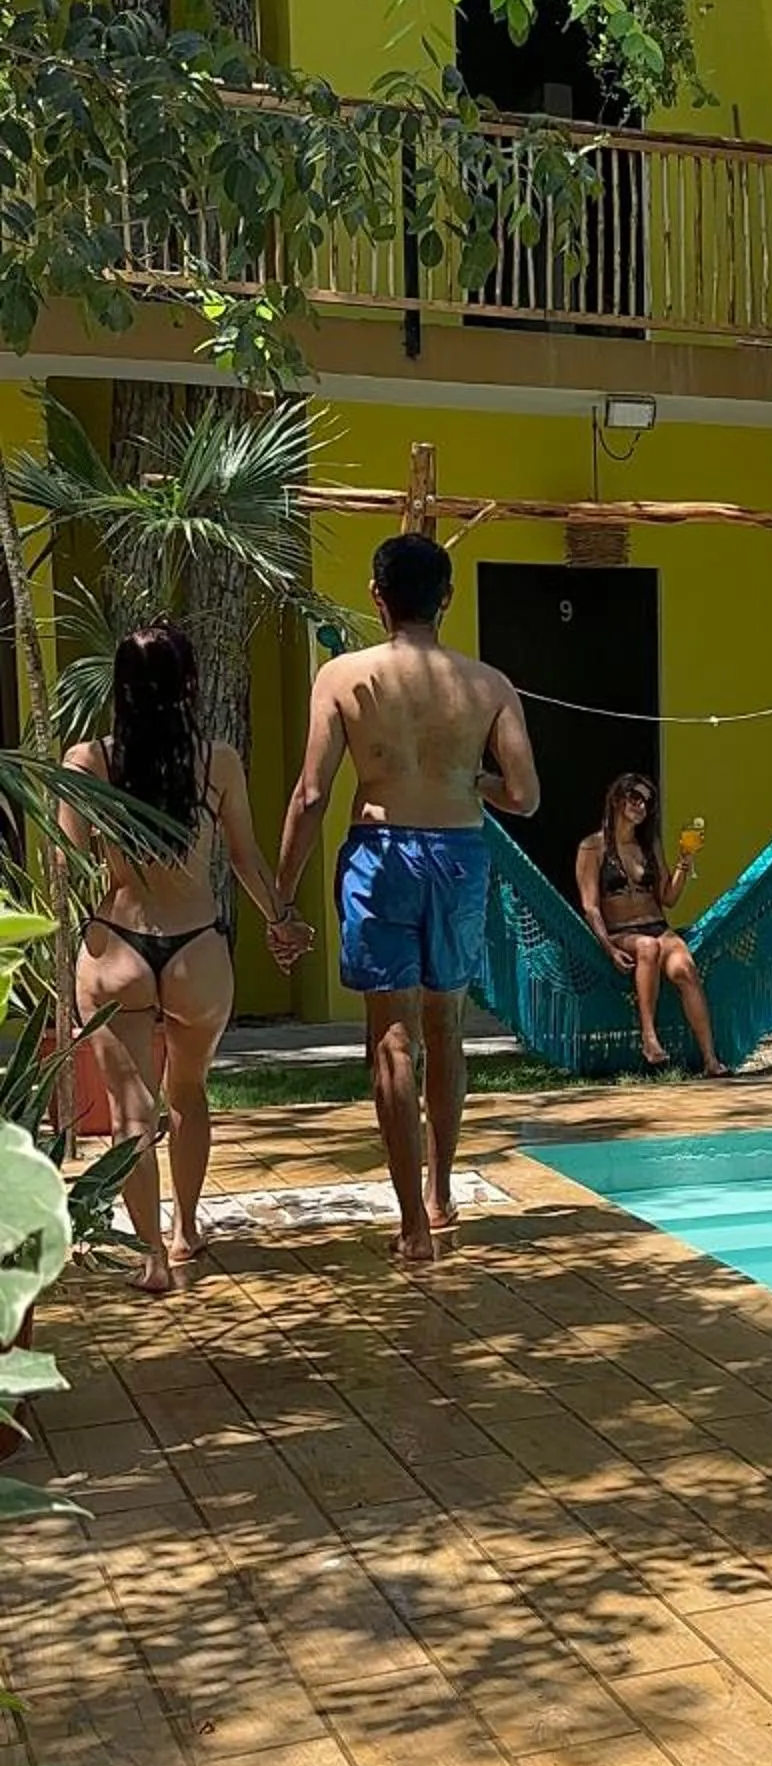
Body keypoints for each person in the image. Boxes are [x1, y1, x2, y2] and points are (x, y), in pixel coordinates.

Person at [272, 533, 540, 1266]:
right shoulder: (488, 685)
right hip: (458, 853)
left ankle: (413, 1227)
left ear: (376, 595)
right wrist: (470, 780)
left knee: (392, 1037)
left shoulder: (342, 675)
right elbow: (525, 795)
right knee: (445, 1025)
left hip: (381, 852)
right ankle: (441, 1194)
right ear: (446, 598)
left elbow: (312, 793)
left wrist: (282, 896)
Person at [61, 621, 309, 1296]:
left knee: (131, 1114)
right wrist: (281, 920)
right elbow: (244, 858)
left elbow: (67, 863)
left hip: (117, 945)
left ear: (119, 686)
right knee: (189, 1094)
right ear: (190, 685)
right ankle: (186, 1229)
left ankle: (151, 1259)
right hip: (197, 946)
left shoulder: (87, 762)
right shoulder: (216, 761)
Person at [577, 771, 727, 1075]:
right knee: (647, 947)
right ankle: (649, 1038)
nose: (641, 805)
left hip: (658, 926)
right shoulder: (592, 848)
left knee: (685, 969)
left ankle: (711, 1060)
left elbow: (668, 898)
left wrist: (685, 862)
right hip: (622, 933)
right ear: (617, 799)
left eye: (647, 802)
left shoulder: (649, 846)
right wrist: (608, 948)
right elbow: (591, 907)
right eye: (635, 797)